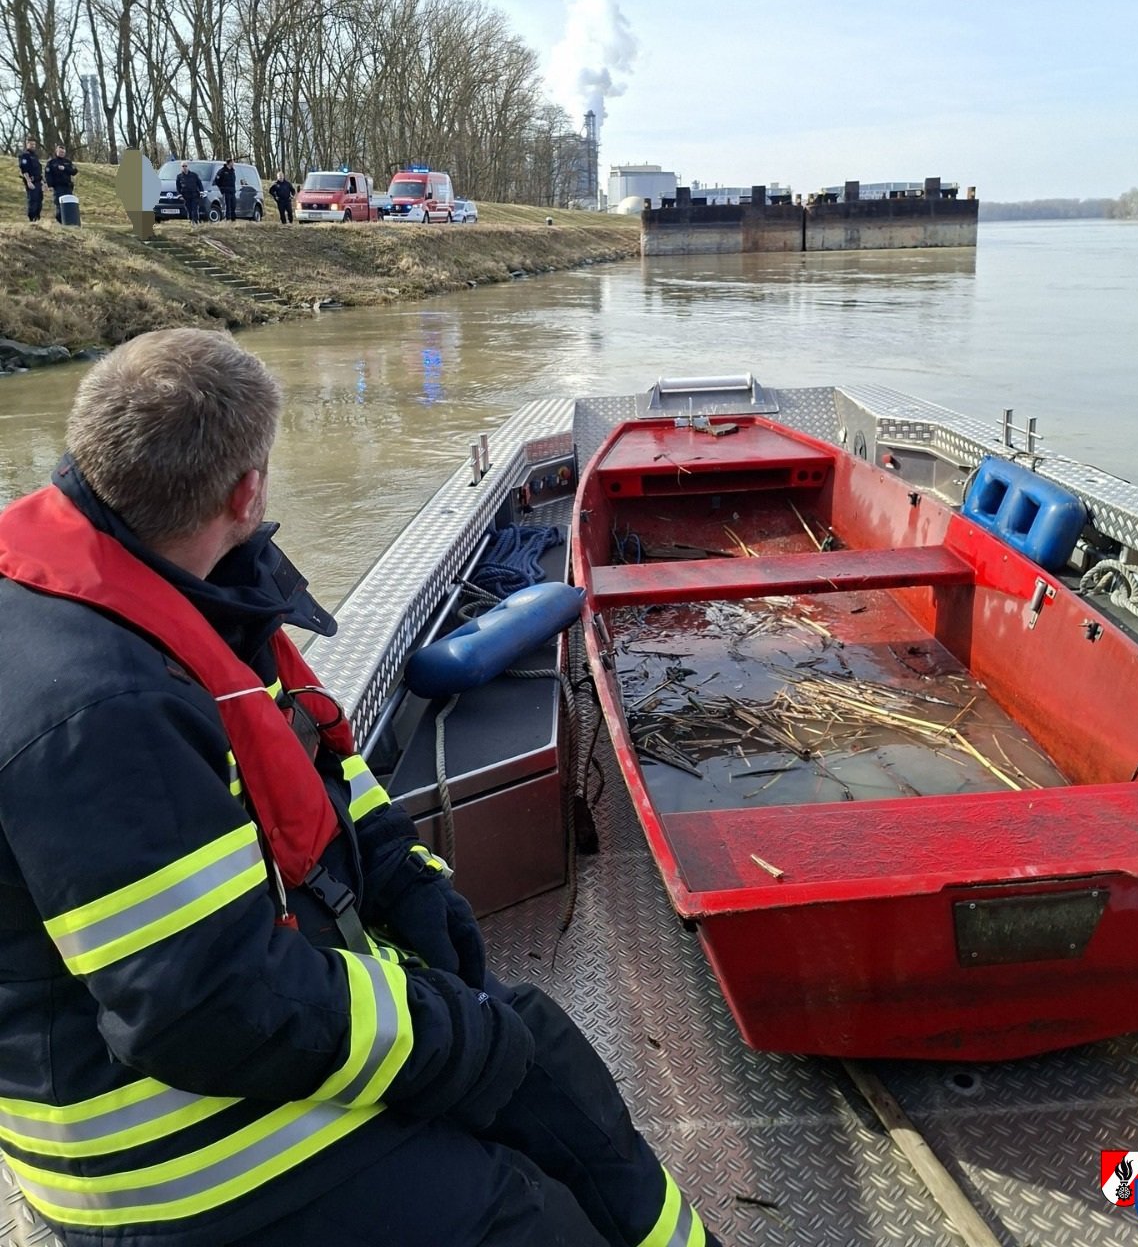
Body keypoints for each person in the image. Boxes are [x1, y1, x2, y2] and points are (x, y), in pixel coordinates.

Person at [0, 328, 719, 1247]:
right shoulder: (100, 711)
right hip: (167, 1153)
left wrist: (404, 872)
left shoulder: (168, 588)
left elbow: (315, 765)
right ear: (247, 492)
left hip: (238, 1022)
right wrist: (452, 1038)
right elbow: (209, 1010)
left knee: (537, 1050)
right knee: (521, 1215)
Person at [46, 144, 78, 224]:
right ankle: (60, 220)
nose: (62, 154)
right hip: (58, 187)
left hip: (67, 186)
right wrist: (49, 185)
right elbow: (48, 174)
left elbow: (74, 171)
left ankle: (69, 221)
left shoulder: (68, 162)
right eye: (60, 152)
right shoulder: (52, 162)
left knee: (68, 204)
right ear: (56, 152)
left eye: (63, 152)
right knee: (59, 204)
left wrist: (65, 168)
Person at [18, 136, 43, 222]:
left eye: (34, 144)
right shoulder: (24, 155)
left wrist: (43, 182)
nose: (33, 146)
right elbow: (24, 170)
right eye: (31, 144)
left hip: (38, 182)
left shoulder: (35, 156)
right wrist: (28, 181)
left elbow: (38, 170)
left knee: (39, 202)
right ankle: (32, 220)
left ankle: (37, 219)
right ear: (27, 144)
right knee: (33, 201)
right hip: (31, 182)